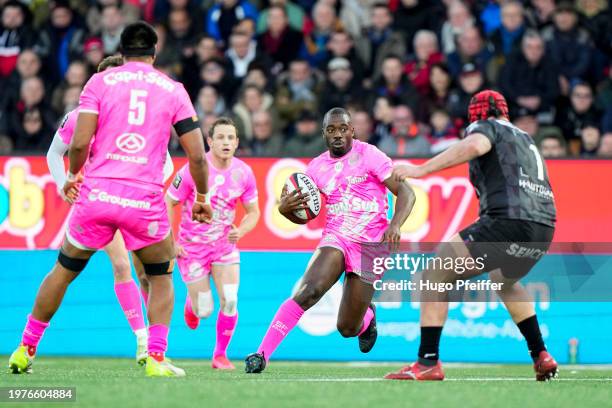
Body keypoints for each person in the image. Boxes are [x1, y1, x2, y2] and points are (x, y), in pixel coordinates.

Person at [8, 21, 212, 378]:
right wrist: (203, 197)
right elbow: (196, 155)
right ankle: (156, 358)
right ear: (154, 50)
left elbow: (80, 140)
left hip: (97, 196)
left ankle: (25, 349)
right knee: (161, 276)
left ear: (122, 49)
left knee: (64, 270)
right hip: (143, 200)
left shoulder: (99, 82)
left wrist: (73, 176)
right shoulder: (172, 88)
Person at [387, 90, 558, 381]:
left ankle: (427, 361)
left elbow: (476, 144)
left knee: (434, 275)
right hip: (543, 228)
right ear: (506, 112)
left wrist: (422, 169)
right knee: (504, 281)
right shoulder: (525, 138)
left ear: (475, 116)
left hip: (507, 221)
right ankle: (541, 355)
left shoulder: (484, 127)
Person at [244, 107, 416, 373]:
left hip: (370, 245)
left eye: (343, 129)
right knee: (308, 291)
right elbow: (304, 213)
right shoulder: (316, 167)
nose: (338, 135)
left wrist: (395, 225)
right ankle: (261, 354)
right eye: (331, 130)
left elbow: (406, 193)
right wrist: (284, 209)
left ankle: (367, 318)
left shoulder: (369, 154)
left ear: (352, 130)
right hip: (336, 238)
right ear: (324, 133)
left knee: (347, 328)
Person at [45, 55, 176, 365]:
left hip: (135, 201)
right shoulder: (80, 116)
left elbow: (167, 162)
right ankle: (144, 342)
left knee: (147, 274)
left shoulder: (138, 123)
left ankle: (155, 346)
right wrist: (66, 184)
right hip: (100, 201)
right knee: (120, 266)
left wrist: (147, 186)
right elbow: (55, 153)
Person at [166, 117, 260, 370]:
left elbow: (254, 212)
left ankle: (220, 356)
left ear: (237, 142)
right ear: (209, 141)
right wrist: (171, 241)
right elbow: (168, 202)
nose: (226, 142)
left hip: (224, 247)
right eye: (221, 137)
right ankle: (192, 304)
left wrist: (240, 231)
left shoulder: (244, 172)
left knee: (230, 300)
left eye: (231, 138)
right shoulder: (194, 169)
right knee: (205, 310)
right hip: (192, 248)